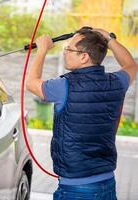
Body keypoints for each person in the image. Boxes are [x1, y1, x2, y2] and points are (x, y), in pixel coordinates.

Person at [26, 27, 138, 200]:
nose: (65, 52)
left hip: (76, 190)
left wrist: (42, 50)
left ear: (84, 57)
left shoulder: (64, 86)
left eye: (68, 49)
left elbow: (32, 83)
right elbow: (131, 65)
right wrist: (109, 39)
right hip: (107, 184)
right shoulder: (117, 82)